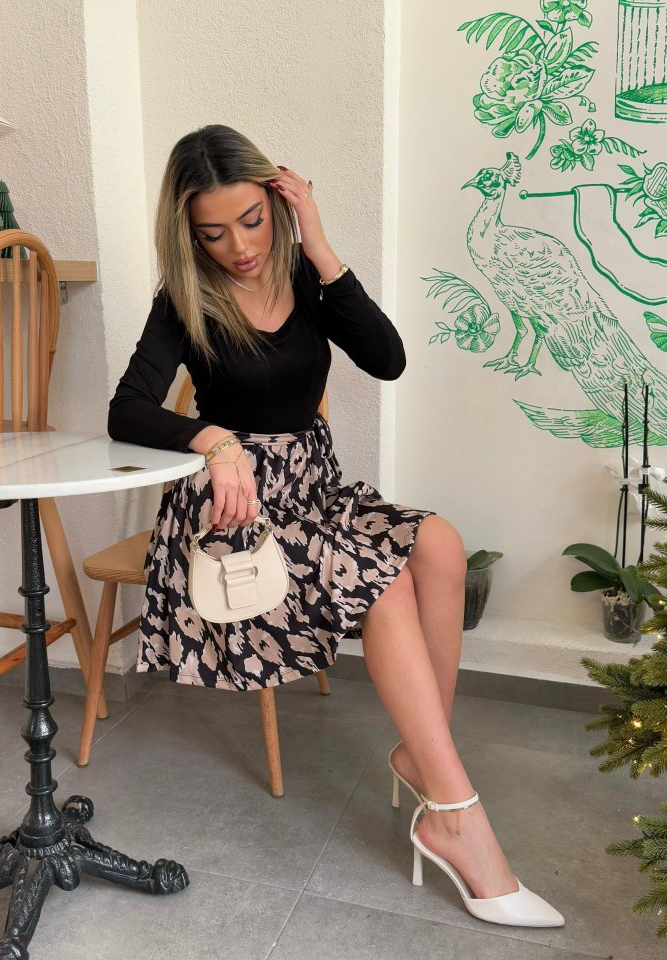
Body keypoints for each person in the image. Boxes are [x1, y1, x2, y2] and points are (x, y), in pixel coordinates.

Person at [108, 124, 563, 928]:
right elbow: (127, 410)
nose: (239, 247)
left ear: (278, 203)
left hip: (313, 489)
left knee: (441, 544)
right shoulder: (185, 300)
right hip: (237, 509)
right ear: (188, 235)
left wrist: (318, 245)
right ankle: (456, 818)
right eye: (212, 234)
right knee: (381, 585)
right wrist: (214, 441)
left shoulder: (304, 275)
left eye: (253, 220)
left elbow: (388, 359)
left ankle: (423, 758)